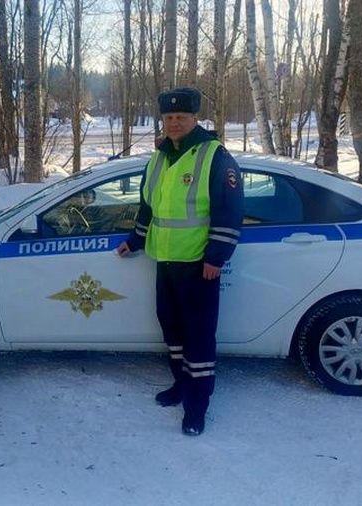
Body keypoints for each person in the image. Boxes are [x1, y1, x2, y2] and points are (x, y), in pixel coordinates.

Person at [116, 87, 244, 436]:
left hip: (198, 263)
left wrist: (216, 256)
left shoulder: (214, 156)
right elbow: (149, 207)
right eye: (168, 117)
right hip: (166, 260)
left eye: (180, 117)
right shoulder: (159, 158)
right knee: (171, 327)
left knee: (198, 335)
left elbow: (229, 211)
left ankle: (197, 407)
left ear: (194, 119)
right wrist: (135, 240)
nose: (173, 123)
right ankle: (181, 385)